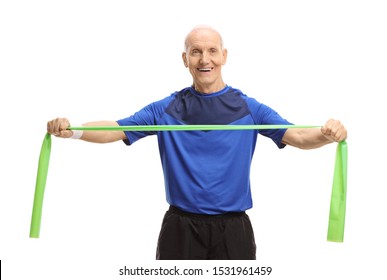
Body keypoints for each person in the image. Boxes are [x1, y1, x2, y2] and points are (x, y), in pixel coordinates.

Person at [47, 25, 347, 260]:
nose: (205, 59)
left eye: (212, 51)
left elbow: (298, 136)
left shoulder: (249, 108)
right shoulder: (166, 108)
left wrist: (327, 133)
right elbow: (116, 129)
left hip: (234, 229)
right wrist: (72, 130)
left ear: (224, 56)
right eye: (196, 52)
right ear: (185, 59)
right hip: (180, 228)